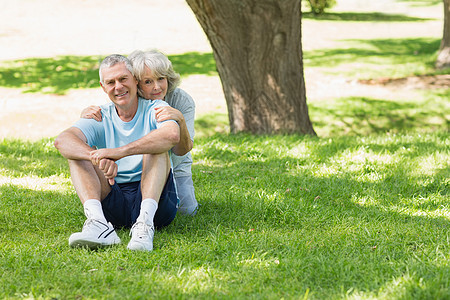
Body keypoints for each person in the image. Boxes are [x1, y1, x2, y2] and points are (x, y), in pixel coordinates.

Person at [54, 54, 180, 252]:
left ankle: (145, 226)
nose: (118, 87)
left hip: (156, 203)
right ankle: (98, 224)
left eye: (123, 79)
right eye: (110, 82)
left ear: (135, 80)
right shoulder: (99, 115)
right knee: (78, 154)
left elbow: (172, 135)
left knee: (156, 145)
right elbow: (63, 140)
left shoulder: (156, 107)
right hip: (113, 200)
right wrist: (97, 157)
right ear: (103, 87)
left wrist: (119, 153)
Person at [81, 49, 198, 216]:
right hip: (138, 169)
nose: (156, 87)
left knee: (188, 212)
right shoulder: (132, 101)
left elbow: (183, 150)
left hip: (177, 163)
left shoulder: (181, 100)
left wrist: (179, 119)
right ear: (136, 82)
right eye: (148, 82)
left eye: (161, 79)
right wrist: (87, 117)